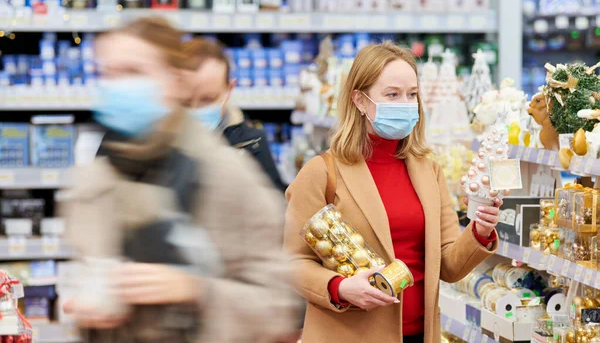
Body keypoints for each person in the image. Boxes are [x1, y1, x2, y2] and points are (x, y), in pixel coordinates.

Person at [60, 17, 299, 342]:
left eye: (135, 72)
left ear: (174, 81)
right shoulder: (96, 179)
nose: (119, 86)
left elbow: (277, 303)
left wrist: (197, 290)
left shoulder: (226, 174)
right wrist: (89, 307)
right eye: (109, 73)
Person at [283, 42, 500, 343]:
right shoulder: (322, 172)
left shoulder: (428, 170)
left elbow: (447, 265)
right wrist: (339, 287)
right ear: (359, 100)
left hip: (420, 334)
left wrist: (480, 230)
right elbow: (293, 264)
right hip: (350, 334)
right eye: (392, 94)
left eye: (412, 94)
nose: (406, 103)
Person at [181, 38, 287, 192]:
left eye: (207, 99)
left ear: (229, 90)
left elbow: (274, 207)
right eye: (185, 101)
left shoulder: (252, 142)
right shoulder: (156, 141)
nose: (195, 109)